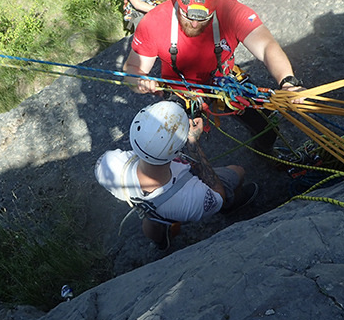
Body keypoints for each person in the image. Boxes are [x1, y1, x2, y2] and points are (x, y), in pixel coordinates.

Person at [122, 0, 306, 154]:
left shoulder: (232, 12)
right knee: (171, 143)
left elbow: (267, 46)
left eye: (202, 18)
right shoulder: (154, 22)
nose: (194, 24)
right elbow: (131, 70)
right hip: (180, 92)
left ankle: (265, 150)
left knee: (266, 128)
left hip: (224, 80)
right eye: (188, 15)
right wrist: (140, 80)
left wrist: (287, 81)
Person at [95, 101, 258, 250]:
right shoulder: (191, 199)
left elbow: (145, 150)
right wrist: (193, 144)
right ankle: (232, 206)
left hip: (143, 200)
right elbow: (218, 196)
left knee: (151, 215)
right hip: (174, 199)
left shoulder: (108, 163)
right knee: (238, 172)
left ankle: (160, 241)